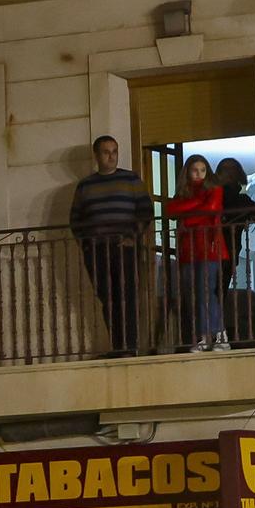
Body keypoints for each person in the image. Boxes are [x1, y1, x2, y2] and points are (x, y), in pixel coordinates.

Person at [69, 137, 153, 355]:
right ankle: (118, 345)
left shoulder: (131, 180)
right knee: (107, 298)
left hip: (124, 246)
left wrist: (133, 236)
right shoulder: (86, 186)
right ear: (97, 155)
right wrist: (86, 245)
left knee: (127, 296)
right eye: (106, 152)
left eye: (114, 151)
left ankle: (130, 346)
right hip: (97, 250)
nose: (111, 156)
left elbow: (146, 211)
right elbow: (76, 219)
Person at [165, 154, 229, 350]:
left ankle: (217, 335)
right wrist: (197, 206)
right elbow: (170, 209)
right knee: (194, 294)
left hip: (209, 248)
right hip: (188, 250)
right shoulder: (184, 193)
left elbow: (211, 208)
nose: (199, 174)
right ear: (188, 172)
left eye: (202, 170)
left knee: (205, 291)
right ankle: (206, 336)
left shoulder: (214, 189)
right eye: (195, 170)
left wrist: (188, 218)